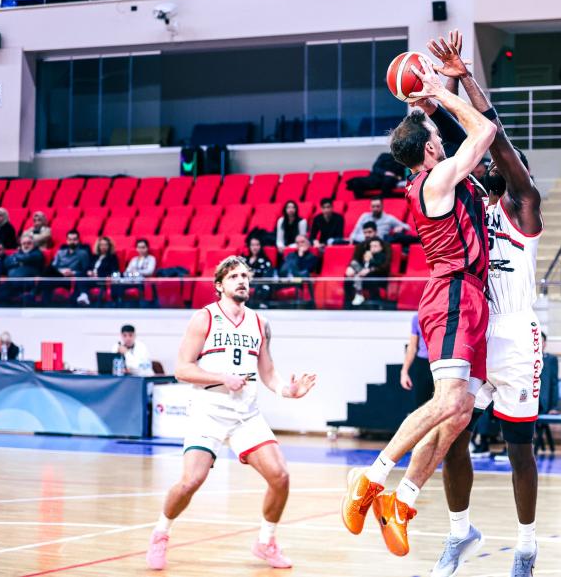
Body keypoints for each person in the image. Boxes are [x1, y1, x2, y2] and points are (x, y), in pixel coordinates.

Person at [339, 53, 496, 558]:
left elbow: (452, 127)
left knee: (460, 411)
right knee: (448, 402)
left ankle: (401, 501)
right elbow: (484, 131)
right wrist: (440, 90)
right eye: (435, 136)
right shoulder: (437, 179)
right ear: (430, 148)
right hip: (451, 293)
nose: (442, 138)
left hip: (472, 296)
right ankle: (371, 476)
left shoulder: (436, 174)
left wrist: (440, 87)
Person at [415, 31, 546, 576]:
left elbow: (494, 137)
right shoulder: (466, 199)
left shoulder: (524, 204)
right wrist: (441, 87)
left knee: (518, 446)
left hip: (515, 334)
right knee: (452, 431)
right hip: (473, 323)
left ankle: (525, 546)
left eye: (500, 164)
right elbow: (460, 138)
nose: (491, 164)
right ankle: (458, 532)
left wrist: (465, 79)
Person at [145, 257, 317, 570]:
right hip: (208, 412)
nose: (242, 281)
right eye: (234, 276)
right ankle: (161, 533)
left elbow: (268, 372)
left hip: (245, 415)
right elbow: (182, 369)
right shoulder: (204, 318)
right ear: (219, 285)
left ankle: (266, 542)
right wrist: (222, 378)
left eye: (245, 277)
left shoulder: (260, 323)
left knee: (280, 476)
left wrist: (288, 391)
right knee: (190, 481)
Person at [0, 234, 43, 305]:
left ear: (33, 244)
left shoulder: (37, 253)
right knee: (1, 294)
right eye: (24, 243)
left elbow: (27, 258)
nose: (26, 245)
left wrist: (17, 259)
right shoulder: (18, 253)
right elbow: (7, 262)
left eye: (29, 243)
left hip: (28, 281)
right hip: (12, 281)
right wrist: (20, 261)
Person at [48, 230, 90, 306]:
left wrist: (72, 272)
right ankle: (35, 295)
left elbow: (85, 270)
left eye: (74, 239)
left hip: (73, 278)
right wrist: (61, 271)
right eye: (70, 239)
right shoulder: (60, 252)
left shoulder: (83, 253)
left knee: (82, 274)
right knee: (48, 269)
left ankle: (82, 297)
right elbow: (54, 266)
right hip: (59, 276)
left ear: (78, 240)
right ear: (67, 240)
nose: (72, 242)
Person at [344, 236, 389, 306]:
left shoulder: (381, 256)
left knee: (360, 277)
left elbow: (379, 266)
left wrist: (371, 261)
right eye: (371, 246)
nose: (373, 248)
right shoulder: (367, 255)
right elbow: (362, 265)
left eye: (375, 246)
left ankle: (359, 295)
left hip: (375, 276)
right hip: (363, 274)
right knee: (350, 274)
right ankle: (348, 303)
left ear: (381, 248)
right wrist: (365, 261)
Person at [400, 313, 433, 408]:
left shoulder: (446, 314)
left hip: (441, 363)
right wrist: (404, 372)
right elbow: (412, 347)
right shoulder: (417, 317)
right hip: (423, 364)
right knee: (421, 406)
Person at [535, 332, 560, 455]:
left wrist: (553, 407)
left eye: (541, 341)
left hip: (541, 403)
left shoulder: (550, 360)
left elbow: (554, 384)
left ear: (545, 344)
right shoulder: (525, 359)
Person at [244, 237, 274, 308]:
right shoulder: (244, 260)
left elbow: (266, 275)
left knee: (265, 287)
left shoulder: (265, 261)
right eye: (252, 245)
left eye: (257, 245)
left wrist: (253, 274)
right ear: (249, 246)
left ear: (260, 246)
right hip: (246, 283)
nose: (255, 247)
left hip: (259, 285)